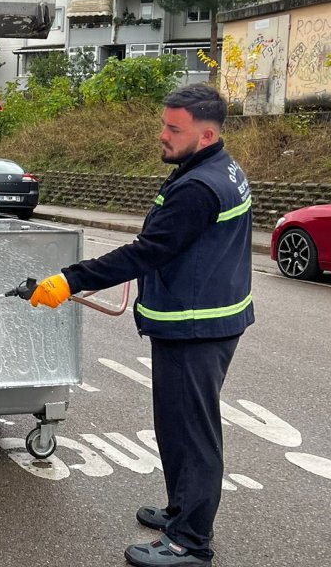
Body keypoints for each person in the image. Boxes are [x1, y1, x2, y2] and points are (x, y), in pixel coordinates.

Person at [28, 83, 253, 567]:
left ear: (207, 134)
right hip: (205, 319)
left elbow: (148, 252)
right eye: (164, 125)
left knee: (192, 434)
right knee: (175, 427)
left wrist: (70, 280)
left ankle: (189, 541)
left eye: (175, 129)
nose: (163, 136)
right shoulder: (216, 168)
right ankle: (180, 510)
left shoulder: (198, 188)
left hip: (196, 327)